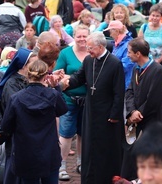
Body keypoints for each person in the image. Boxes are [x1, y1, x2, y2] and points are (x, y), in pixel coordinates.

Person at [61, 32, 125, 184]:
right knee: (89, 147)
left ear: (100, 46)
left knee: (104, 148)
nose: (88, 51)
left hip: (107, 114)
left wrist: (115, 115)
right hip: (90, 111)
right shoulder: (89, 60)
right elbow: (78, 78)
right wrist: (64, 83)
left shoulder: (115, 63)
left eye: (90, 48)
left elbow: (119, 92)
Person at [0, 59, 68, 184]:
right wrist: (56, 87)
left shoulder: (16, 98)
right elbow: (62, 109)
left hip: (25, 153)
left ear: (28, 74)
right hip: (49, 151)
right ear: (46, 76)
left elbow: (6, 126)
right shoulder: (52, 95)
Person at [120, 37, 162, 180]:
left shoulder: (157, 70)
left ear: (138, 53)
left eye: (129, 52)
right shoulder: (136, 68)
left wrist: (140, 113)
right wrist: (132, 111)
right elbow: (130, 91)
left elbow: (154, 99)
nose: (127, 55)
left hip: (152, 121)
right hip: (137, 119)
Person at [0, 48, 38, 184]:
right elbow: (16, 109)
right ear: (24, 66)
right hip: (17, 135)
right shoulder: (11, 84)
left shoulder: (28, 79)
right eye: (33, 63)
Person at [54, 25, 89, 181]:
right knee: (66, 134)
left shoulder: (92, 52)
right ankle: (61, 166)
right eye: (79, 36)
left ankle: (81, 163)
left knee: (83, 133)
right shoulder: (65, 53)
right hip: (69, 100)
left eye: (84, 36)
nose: (82, 39)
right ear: (73, 37)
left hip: (88, 101)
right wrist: (76, 78)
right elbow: (57, 75)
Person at [138, 3, 162, 81]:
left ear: (161, 17)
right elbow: (139, 44)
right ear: (150, 15)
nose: (155, 18)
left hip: (160, 61)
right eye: (153, 15)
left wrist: (159, 60)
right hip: (145, 61)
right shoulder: (144, 27)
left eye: (157, 16)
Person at [104, 20, 134, 90]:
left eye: (111, 32)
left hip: (125, 85)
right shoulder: (117, 43)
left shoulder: (128, 45)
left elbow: (125, 67)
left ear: (117, 31)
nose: (110, 35)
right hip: (118, 82)